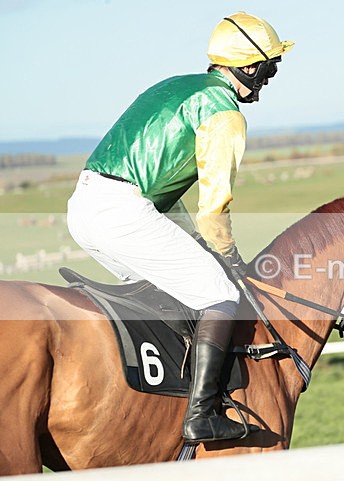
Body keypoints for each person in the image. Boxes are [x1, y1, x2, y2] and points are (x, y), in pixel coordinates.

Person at [66, 12, 293, 442]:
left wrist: (197, 245)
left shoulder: (176, 85)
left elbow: (162, 186)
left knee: (175, 295)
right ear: (249, 66)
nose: (271, 77)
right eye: (270, 67)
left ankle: (161, 404)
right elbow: (214, 204)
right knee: (221, 295)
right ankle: (201, 414)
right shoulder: (224, 113)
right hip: (123, 213)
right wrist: (229, 257)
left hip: (84, 207)